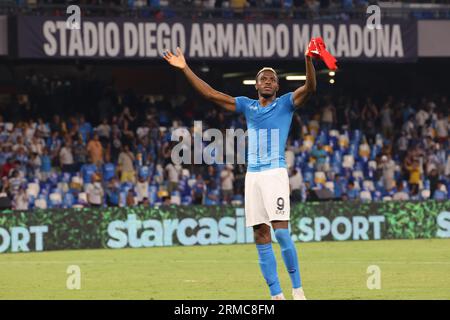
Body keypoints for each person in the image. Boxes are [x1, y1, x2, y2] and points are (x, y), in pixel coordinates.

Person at [163, 43, 317, 300]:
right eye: (263, 79)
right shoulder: (247, 105)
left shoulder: (286, 103)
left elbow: (310, 88)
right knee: (260, 233)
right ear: (256, 85)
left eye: (272, 79)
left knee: (280, 231)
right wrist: (185, 68)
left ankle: (298, 290)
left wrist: (308, 60)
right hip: (253, 176)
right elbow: (212, 94)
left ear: (277, 87)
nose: (267, 81)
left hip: (274, 173)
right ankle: (276, 295)